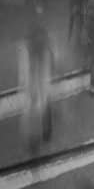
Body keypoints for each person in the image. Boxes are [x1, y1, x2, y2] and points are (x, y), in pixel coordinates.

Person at [20, 24, 54, 154]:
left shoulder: (43, 51)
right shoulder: (28, 52)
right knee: (36, 114)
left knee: (42, 110)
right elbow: (26, 75)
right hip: (35, 93)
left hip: (40, 91)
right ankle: (40, 137)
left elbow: (46, 71)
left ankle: (43, 135)